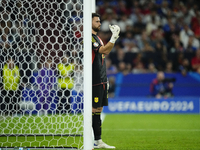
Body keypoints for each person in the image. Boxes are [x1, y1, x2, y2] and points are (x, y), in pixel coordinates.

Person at [92, 13, 120, 149]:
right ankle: (92, 140)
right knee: (94, 109)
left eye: (99, 21)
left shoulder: (98, 38)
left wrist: (112, 39)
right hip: (95, 78)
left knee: (99, 109)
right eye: (96, 21)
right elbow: (103, 50)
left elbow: (105, 51)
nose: (99, 23)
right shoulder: (90, 38)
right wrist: (113, 38)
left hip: (102, 79)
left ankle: (98, 141)